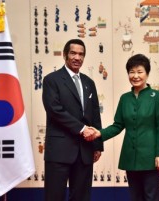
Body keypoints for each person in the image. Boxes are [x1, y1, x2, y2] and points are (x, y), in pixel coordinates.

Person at [85, 54, 159, 201]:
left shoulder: (157, 96)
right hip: (130, 158)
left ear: (147, 73)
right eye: (132, 72)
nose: (135, 76)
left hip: (152, 157)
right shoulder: (124, 98)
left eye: (140, 71)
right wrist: (99, 133)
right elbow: (118, 125)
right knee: (135, 197)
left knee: (152, 197)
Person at [42, 39, 103, 201]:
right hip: (59, 151)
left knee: (82, 197)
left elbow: (95, 114)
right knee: (54, 197)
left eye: (81, 54)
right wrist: (82, 129)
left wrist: (97, 146)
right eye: (73, 53)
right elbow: (54, 110)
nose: (77, 57)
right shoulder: (51, 80)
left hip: (85, 151)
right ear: (65, 55)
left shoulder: (89, 83)